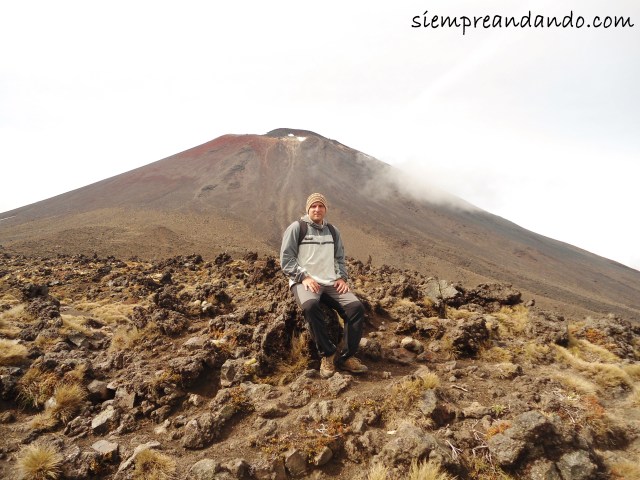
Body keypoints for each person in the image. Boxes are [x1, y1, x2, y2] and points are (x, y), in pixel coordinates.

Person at [280, 192, 368, 378]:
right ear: (307, 209)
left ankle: (346, 357)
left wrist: (341, 277)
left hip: (330, 282)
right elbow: (286, 260)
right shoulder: (297, 228)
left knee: (356, 307)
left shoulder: (333, 231)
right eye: (313, 206)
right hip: (305, 281)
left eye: (321, 206)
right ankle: (328, 354)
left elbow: (339, 258)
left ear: (325, 209)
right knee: (311, 306)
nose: (317, 209)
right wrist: (303, 277)